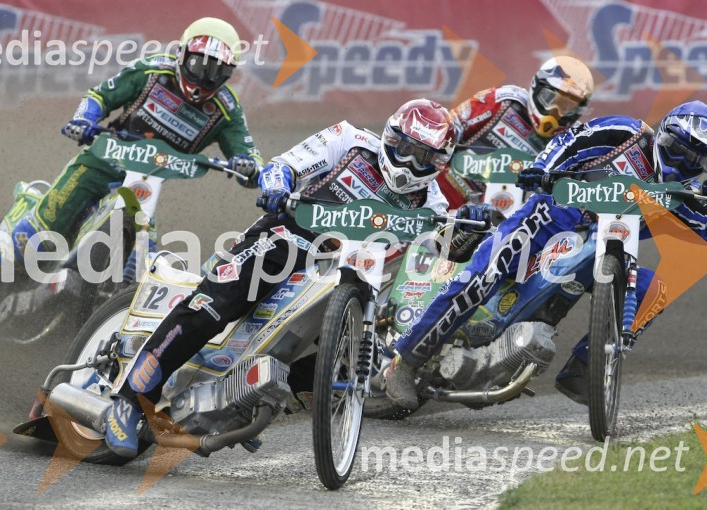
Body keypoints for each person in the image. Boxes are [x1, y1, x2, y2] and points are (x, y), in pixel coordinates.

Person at [102, 99, 489, 458]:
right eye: (404, 148)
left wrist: (470, 228)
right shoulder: (349, 140)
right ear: (389, 138)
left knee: (350, 363)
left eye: (424, 157)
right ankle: (129, 399)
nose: (409, 162)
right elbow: (283, 166)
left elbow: (447, 249)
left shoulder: (433, 202)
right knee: (214, 306)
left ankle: (249, 400)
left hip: (351, 279)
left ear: (440, 163)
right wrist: (276, 186)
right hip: (288, 239)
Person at [385, 100, 707, 410]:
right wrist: (543, 168)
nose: (680, 164)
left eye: (694, 160)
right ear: (662, 135)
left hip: (609, 244)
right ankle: (408, 359)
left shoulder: (682, 195)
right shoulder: (626, 132)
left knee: (654, 288)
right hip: (551, 216)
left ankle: (586, 369)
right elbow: (570, 140)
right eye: (676, 149)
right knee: (486, 272)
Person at [10, 17, 262, 269]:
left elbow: (251, 156)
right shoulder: (151, 70)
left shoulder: (227, 109)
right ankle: (8, 243)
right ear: (182, 54)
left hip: (146, 182)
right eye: (198, 65)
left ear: (228, 73)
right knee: (39, 235)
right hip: (102, 161)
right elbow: (100, 96)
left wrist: (249, 167)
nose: (204, 77)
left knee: (142, 256)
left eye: (216, 71)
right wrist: (83, 120)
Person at [438, 56, 594, 210]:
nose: (555, 111)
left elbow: (577, 193)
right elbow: (450, 127)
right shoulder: (505, 100)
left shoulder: (573, 141)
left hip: (497, 219)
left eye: (567, 106)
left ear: (578, 111)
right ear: (536, 86)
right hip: (442, 193)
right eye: (549, 99)